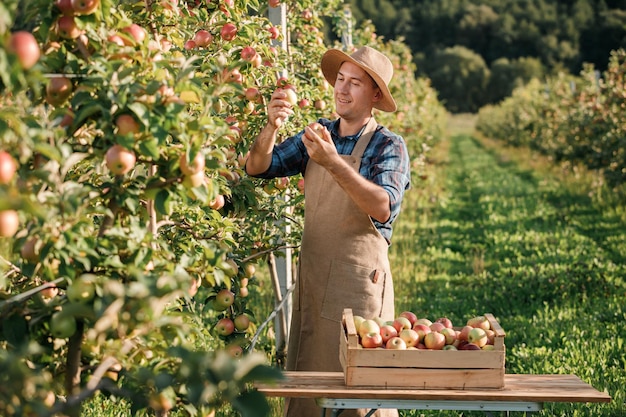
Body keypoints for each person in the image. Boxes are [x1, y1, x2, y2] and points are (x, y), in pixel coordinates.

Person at [245, 45, 411, 417]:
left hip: (358, 287)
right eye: (340, 79)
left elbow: (382, 205)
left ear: (375, 95)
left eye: (355, 83)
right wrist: (270, 126)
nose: (343, 89)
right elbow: (258, 166)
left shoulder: (389, 145)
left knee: (360, 389)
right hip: (316, 280)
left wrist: (334, 162)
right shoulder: (317, 136)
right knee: (310, 388)